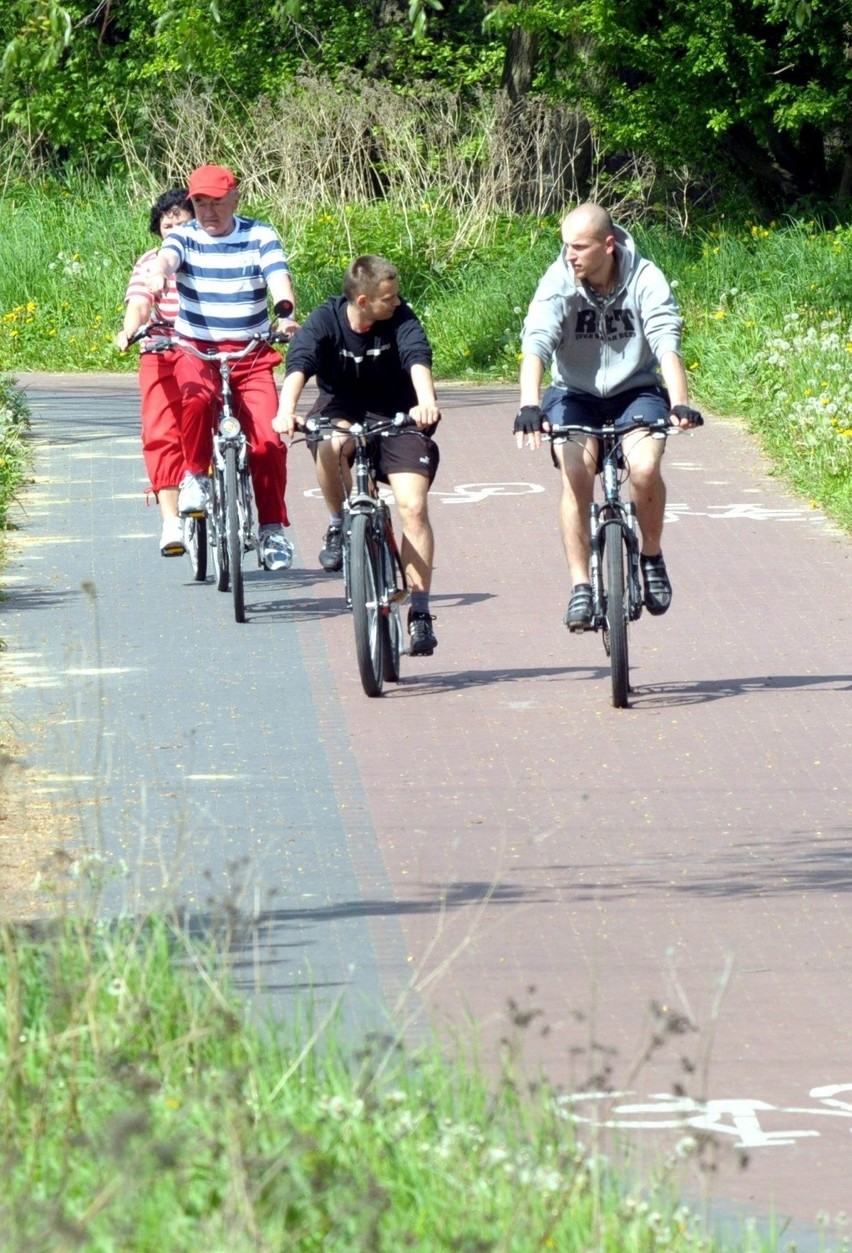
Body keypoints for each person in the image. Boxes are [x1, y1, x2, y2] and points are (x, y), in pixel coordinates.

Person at [514, 201, 703, 630]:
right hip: (573, 394)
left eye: (579, 247)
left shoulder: (645, 277)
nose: (569, 256)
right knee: (576, 473)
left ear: (609, 245)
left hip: (635, 390)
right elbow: (536, 343)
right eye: (566, 246)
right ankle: (581, 586)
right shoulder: (559, 279)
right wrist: (528, 404)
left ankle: (651, 556)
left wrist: (679, 403)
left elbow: (665, 341)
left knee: (644, 467)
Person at [273, 255, 441, 657]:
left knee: (412, 506)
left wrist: (427, 404)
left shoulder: (401, 318)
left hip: (398, 415)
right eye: (388, 298)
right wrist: (284, 412)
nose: (397, 303)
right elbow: (299, 363)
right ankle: (338, 522)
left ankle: (419, 612)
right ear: (362, 301)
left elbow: (417, 357)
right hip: (342, 410)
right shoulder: (326, 319)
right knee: (329, 444)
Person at [144, 164, 299, 571]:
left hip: (250, 353)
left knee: (268, 440)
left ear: (235, 199)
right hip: (197, 350)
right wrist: (159, 275)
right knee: (193, 403)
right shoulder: (184, 236)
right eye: (199, 203)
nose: (208, 211)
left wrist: (285, 314)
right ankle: (196, 475)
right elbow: (166, 259)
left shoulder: (259, 235)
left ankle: (271, 530)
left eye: (216, 202)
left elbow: (277, 277)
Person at [116, 188, 193, 557]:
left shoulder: (209, 254)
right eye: (167, 224)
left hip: (206, 352)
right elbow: (139, 304)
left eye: (181, 220)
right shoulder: (149, 261)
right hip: (161, 351)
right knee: (160, 433)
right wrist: (130, 330)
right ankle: (171, 522)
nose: (174, 228)